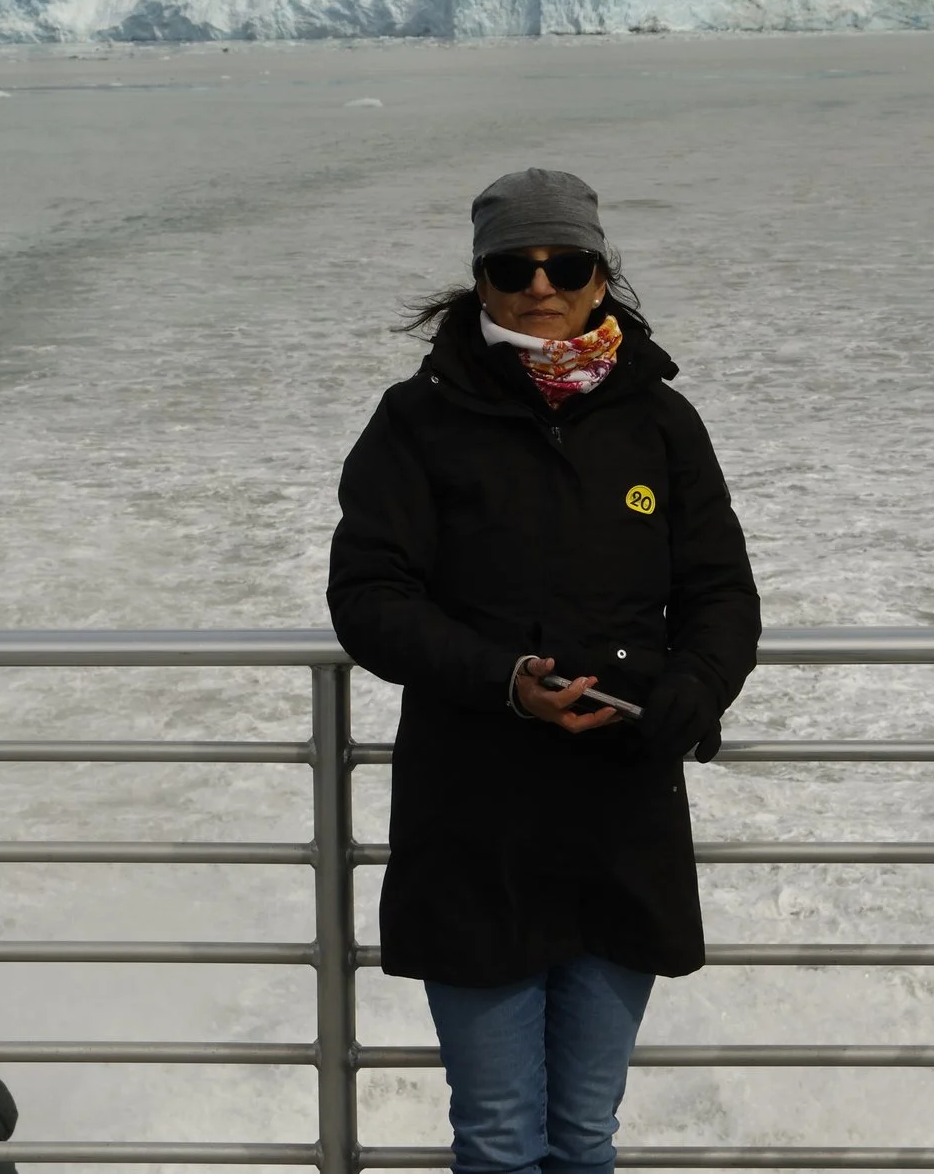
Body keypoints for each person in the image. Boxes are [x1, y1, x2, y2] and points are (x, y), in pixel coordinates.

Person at [329, 168, 762, 1174]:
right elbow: (368, 597)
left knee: (583, 1132)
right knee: (495, 1132)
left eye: (563, 262)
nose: (538, 283)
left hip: (620, 806)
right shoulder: (417, 420)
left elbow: (720, 591)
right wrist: (504, 677)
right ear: (479, 280)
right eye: (511, 266)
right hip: (475, 815)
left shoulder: (658, 420)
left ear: (599, 275)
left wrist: (695, 690)